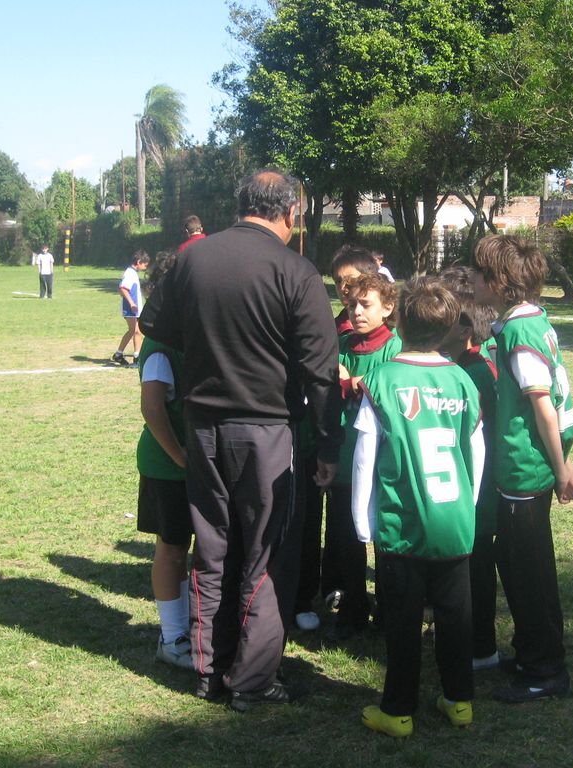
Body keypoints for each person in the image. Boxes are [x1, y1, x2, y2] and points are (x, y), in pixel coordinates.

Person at [139, 169, 342, 711]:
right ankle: (252, 681)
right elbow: (321, 371)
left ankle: (210, 672)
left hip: (204, 427)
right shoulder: (295, 270)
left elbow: (156, 326)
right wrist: (329, 444)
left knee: (213, 550)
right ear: (291, 212)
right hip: (267, 430)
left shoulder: (192, 259)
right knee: (267, 554)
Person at [352, 278, 484, 737]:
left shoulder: (382, 379)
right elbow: (477, 450)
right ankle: (459, 700)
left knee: (402, 622)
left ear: (399, 320)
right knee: (455, 618)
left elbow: (365, 454)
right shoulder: (463, 379)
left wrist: (361, 520)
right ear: (448, 326)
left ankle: (398, 710)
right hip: (455, 521)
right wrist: (468, 505)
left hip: (401, 524)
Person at [469, 234, 573, 704]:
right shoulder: (532, 319)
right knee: (526, 566)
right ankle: (533, 652)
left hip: (524, 472)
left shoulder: (519, 333)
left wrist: (560, 470)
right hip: (528, 468)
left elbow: (543, 405)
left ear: (499, 282)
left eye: (479, 272)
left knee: (527, 574)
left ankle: (544, 670)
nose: (473, 278)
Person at [291, 246, 380, 632]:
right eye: (339, 282)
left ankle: (371, 603)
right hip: (332, 446)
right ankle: (335, 592)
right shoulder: (334, 331)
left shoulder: (388, 339)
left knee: (363, 529)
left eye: (353, 282)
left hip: (368, 453)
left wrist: (352, 382)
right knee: (334, 526)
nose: (345, 290)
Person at [325, 272, 400, 641]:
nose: (356, 311)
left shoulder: (395, 347)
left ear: (387, 307)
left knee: (384, 538)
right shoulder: (340, 344)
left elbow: (391, 389)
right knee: (346, 536)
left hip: (381, 460)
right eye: (352, 303)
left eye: (365, 304)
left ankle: (388, 609)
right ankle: (353, 608)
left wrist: (352, 383)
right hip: (344, 456)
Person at [438, 265, 501, 671]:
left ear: (463, 329)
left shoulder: (472, 372)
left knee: (476, 566)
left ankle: (481, 647)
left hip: (476, 490)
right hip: (465, 487)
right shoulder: (462, 366)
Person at [135, 250, 192, 670]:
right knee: (171, 549)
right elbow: (152, 408)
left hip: (190, 463)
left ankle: (189, 628)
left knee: (191, 548)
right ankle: (172, 638)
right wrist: (180, 457)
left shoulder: (189, 335)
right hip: (168, 466)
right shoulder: (160, 347)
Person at [113, 251, 150, 366]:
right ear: (139, 262)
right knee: (133, 331)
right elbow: (123, 289)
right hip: (130, 308)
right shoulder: (130, 273)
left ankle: (132, 355)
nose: (145, 267)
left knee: (136, 331)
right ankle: (124, 355)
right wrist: (132, 303)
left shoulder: (132, 273)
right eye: (144, 265)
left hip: (134, 308)